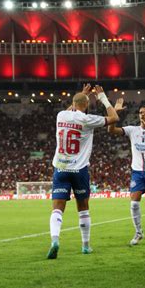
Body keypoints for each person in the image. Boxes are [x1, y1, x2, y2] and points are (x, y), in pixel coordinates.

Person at [47, 84, 120, 259]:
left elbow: (72, 109)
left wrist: (81, 95)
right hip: (79, 169)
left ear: (72, 103)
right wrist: (102, 97)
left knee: (57, 209)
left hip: (61, 168)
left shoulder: (60, 115)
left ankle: (55, 240)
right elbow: (114, 117)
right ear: (86, 105)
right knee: (83, 208)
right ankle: (86, 246)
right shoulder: (87, 119)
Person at [108, 102, 145, 246]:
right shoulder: (132, 130)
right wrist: (115, 113)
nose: (142, 114)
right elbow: (111, 130)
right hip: (138, 172)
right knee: (134, 203)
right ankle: (138, 233)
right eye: (140, 112)